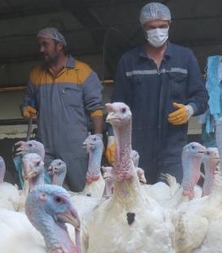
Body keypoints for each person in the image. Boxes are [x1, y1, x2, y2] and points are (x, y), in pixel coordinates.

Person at [107, 2, 208, 183]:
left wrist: (189, 110)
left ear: (169, 24)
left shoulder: (185, 57)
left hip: (174, 150)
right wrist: (112, 139)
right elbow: (117, 104)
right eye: (152, 27)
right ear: (143, 28)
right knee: (139, 203)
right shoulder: (129, 61)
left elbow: (201, 96)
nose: (157, 31)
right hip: (138, 149)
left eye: (162, 26)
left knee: (175, 198)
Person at [21, 27, 104, 192]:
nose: (41, 49)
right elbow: (28, 101)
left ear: (59, 45)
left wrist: (98, 139)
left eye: (45, 44)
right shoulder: (36, 74)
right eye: (40, 45)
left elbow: (96, 109)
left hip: (75, 149)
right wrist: (26, 108)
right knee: (42, 194)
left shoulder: (83, 72)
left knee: (82, 193)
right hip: (45, 148)